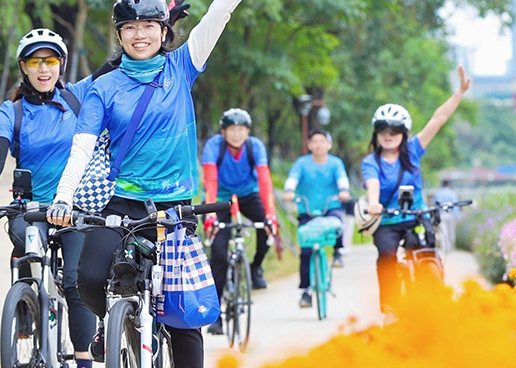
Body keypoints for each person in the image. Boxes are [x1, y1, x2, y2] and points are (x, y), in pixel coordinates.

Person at [49, 0, 281, 368]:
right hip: (124, 201)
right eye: (130, 28)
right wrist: (63, 199)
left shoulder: (182, 66)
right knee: (88, 278)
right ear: (120, 35)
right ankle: (112, 328)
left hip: (175, 206)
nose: (140, 35)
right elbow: (83, 146)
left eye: (148, 27)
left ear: (163, 31)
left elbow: (219, 12)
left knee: (181, 308)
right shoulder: (104, 88)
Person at [0, 30, 92, 368]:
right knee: (24, 242)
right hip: (30, 207)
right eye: (35, 61)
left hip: (73, 207)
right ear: (23, 67)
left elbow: (116, 66)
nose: (43, 68)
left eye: (50, 61)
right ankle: (26, 301)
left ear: (61, 64)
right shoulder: (13, 111)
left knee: (75, 281)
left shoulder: (77, 98)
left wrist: (159, 28)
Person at [363, 66, 471, 309]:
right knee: (387, 258)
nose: (388, 135)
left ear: (403, 133)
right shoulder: (371, 162)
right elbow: (372, 184)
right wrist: (374, 203)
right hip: (387, 221)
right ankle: (389, 308)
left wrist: (459, 92)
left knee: (428, 253)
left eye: (394, 130)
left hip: (416, 217)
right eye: (382, 130)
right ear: (376, 133)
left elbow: (438, 119)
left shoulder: (413, 150)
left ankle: (432, 302)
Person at [201, 108, 277, 308]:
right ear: (223, 131)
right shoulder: (213, 146)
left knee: (267, 227)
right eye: (232, 129)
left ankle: (256, 266)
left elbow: (265, 181)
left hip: (248, 193)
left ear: (248, 131)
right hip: (219, 197)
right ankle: (216, 309)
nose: (236, 134)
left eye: (241, 129)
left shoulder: (255, 146)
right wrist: (210, 214)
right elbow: (210, 181)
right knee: (219, 253)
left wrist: (270, 214)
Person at [283, 129, 350, 309]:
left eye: (322, 141)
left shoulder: (335, 163)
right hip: (307, 210)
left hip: (330, 206)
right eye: (315, 141)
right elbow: (293, 178)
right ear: (309, 144)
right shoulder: (302, 163)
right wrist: (289, 191)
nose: (319, 145)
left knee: (337, 223)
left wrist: (344, 191)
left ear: (329, 144)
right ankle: (305, 291)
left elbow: (342, 179)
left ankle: (338, 252)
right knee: (306, 251)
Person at [431, 177, 461, 252]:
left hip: (442, 214)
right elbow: (456, 206)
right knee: (451, 232)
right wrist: (457, 217)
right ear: (449, 184)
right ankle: (451, 247)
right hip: (451, 214)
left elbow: (434, 205)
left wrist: (434, 216)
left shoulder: (438, 193)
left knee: (443, 232)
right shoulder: (453, 193)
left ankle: (445, 248)